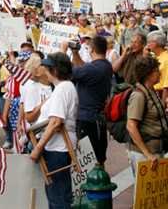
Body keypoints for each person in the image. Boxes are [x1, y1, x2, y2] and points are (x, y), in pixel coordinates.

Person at [29, 53, 78, 209]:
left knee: (58, 198)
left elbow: (56, 121)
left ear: (55, 71)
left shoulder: (62, 89)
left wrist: (38, 148)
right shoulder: (64, 87)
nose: (45, 71)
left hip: (57, 148)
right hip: (58, 147)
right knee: (58, 195)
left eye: (47, 68)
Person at [68, 35, 112, 165]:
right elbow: (82, 67)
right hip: (95, 118)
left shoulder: (93, 69)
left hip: (88, 119)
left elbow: (69, 72)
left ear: (92, 49)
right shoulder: (104, 66)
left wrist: (62, 49)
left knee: (89, 158)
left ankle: (93, 183)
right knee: (97, 156)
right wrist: (75, 52)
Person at [126, 56, 168, 176]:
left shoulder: (151, 91)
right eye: (156, 70)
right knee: (144, 193)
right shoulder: (138, 95)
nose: (159, 73)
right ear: (148, 74)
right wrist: (147, 154)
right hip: (144, 154)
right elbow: (131, 126)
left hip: (156, 150)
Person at [147, 31, 168, 105]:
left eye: (149, 42)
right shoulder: (154, 56)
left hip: (158, 96)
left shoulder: (167, 60)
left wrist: (163, 107)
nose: (147, 45)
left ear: (156, 43)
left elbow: (167, 87)